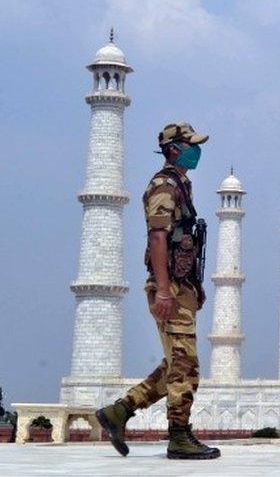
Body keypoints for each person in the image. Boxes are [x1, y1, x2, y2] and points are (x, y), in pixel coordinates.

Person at [95, 123, 220, 460]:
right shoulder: (164, 186)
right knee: (185, 366)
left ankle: (120, 410)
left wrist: (194, 285)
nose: (197, 150)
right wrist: (165, 291)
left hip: (183, 287)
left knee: (176, 364)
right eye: (191, 145)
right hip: (170, 289)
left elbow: (186, 242)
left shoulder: (182, 184)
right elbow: (158, 238)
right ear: (174, 149)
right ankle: (179, 436)